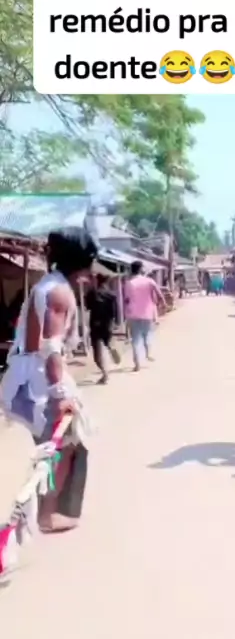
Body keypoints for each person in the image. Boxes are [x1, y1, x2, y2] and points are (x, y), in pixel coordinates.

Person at [0, 227, 96, 533]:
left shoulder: (52, 285)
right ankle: (46, 513)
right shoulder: (58, 292)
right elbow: (50, 347)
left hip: (33, 376)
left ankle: (48, 510)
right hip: (38, 380)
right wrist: (59, 392)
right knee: (61, 446)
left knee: (63, 445)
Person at [124, 261, 166, 371]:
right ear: (141, 269)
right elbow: (159, 294)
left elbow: (127, 300)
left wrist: (126, 313)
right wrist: (163, 304)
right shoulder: (149, 281)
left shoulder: (129, 283)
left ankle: (137, 364)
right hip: (147, 313)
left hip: (133, 314)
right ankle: (148, 353)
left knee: (135, 339)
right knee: (147, 335)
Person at [85, 274, 120, 385]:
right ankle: (110, 347)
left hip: (95, 323)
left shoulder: (92, 293)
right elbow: (115, 311)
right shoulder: (111, 295)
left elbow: (87, 307)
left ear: (97, 280)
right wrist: (116, 322)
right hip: (107, 323)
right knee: (107, 340)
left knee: (97, 353)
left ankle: (105, 375)